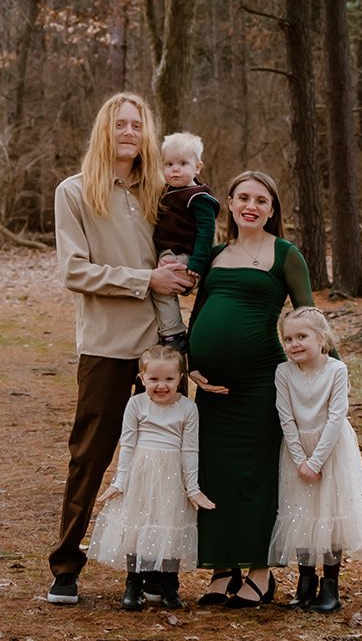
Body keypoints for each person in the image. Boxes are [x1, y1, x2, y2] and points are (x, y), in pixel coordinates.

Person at [47, 93, 192, 607]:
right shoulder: (75, 193)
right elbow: (73, 270)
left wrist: (182, 272)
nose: (128, 131)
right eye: (119, 124)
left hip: (162, 349)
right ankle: (65, 566)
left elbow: (180, 249)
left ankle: (155, 568)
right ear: (104, 131)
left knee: (166, 457)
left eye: (137, 125)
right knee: (90, 455)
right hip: (108, 344)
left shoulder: (163, 189)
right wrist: (144, 278)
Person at [187, 169, 316, 607]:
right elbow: (199, 311)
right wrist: (190, 361)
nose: (251, 206)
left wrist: (324, 377)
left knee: (256, 474)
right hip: (213, 389)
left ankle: (260, 573)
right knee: (214, 472)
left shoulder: (285, 254)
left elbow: (309, 320)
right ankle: (223, 569)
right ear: (229, 202)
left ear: (273, 210)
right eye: (243, 197)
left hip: (262, 381)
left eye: (261, 200)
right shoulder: (216, 255)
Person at [269, 307, 362, 613]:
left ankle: (330, 586)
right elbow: (286, 418)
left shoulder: (336, 370)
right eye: (288, 338)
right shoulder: (283, 373)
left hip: (332, 449)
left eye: (302, 336)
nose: (294, 344)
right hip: (297, 451)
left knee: (330, 513)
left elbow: (337, 418)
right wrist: (301, 459)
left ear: (321, 339)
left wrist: (317, 461)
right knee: (303, 512)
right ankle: (305, 581)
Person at [87, 343, 215, 610]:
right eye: (154, 379)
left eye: (169, 379)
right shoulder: (136, 405)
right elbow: (128, 444)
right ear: (141, 377)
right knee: (137, 524)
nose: (161, 385)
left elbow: (190, 449)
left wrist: (192, 488)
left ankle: (170, 585)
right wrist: (120, 481)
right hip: (142, 474)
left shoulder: (188, 409)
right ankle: (134, 584)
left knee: (169, 526)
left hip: (173, 476)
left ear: (180, 379)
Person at [152, 132, 220, 349]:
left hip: (184, 252)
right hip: (166, 250)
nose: (175, 169)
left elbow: (206, 231)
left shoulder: (198, 197)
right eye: (169, 164)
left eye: (183, 163)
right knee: (158, 287)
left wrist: (197, 263)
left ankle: (174, 334)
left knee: (162, 288)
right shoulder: (166, 191)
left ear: (197, 167)